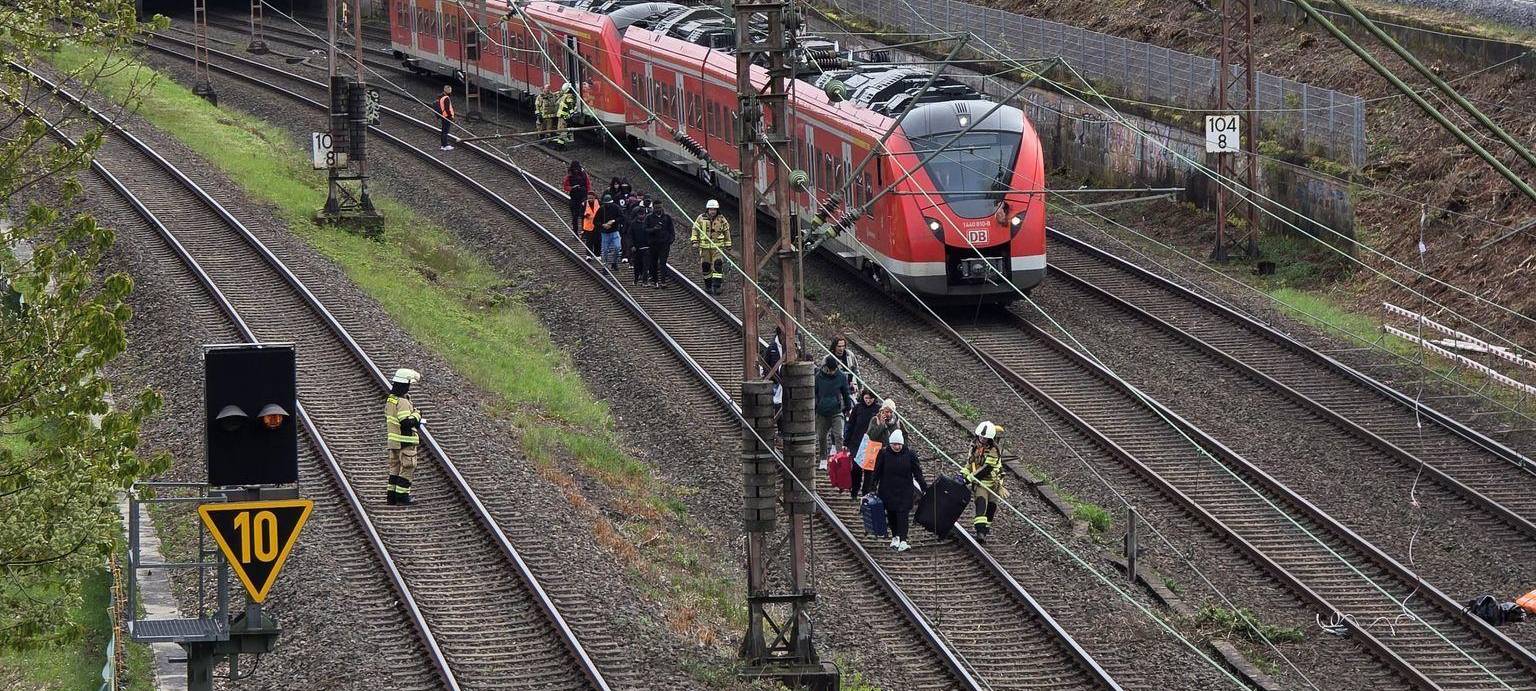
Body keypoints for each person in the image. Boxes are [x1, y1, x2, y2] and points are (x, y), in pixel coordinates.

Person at [872, 429, 926, 551]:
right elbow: (877, 472)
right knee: (891, 514)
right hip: (888, 490)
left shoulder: (910, 455)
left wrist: (924, 488)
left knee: (903, 515)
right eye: (894, 444)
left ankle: (903, 539)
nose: (896, 447)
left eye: (899, 444)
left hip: (905, 490)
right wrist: (872, 487)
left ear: (902, 444)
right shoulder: (884, 454)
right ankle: (895, 536)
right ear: (890, 444)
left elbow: (918, 473)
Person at [385, 368, 424, 505]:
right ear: (405, 384)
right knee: (408, 467)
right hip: (405, 441)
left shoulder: (391, 400)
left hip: (394, 441)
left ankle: (392, 497)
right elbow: (406, 422)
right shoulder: (402, 402)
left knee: (394, 468)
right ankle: (402, 497)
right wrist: (417, 415)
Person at [965, 421, 1007, 542]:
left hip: (994, 483)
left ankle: (985, 531)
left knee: (991, 508)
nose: (983, 439)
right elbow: (969, 463)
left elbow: (987, 469)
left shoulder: (995, 450)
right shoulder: (974, 447)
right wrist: (964, 474)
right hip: (981, 484)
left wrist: (970, 478)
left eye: (985, 437)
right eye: (981, 436)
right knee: (981, 504)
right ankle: (980, 532)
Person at [814, 355, 851, 468]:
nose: (832, 372)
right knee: (822, 436)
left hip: (836, 411)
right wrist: (817, 405)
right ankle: (823, 459)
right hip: (822, 411)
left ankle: (840, 459)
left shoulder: (841, 376)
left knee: (839, 435)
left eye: (834, 369)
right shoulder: (819, 376)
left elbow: (845, 393)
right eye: (830, 369)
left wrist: (847, 407)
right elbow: (814, 392)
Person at [691, 199, 732, 295]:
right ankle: (708, 285)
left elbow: (727, 232)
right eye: (711, 209)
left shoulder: (721, 219)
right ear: (707, 209)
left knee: (718, 265)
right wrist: (694, 241)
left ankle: (717, 286)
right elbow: (695, 230)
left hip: (717, 247)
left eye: (714, 209)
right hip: (704, 248)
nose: (712, 211)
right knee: (706, 266)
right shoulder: (701, 218)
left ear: (717, 210)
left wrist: (728, 244)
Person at [843, 388, 879, 497]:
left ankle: (865, 493)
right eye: (866, 398)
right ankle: (854, 490)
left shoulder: (877, 409)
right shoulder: (858, 408)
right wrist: (846, 441)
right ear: (863, 397)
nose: (868, 401)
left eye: (871, 398)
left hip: (871, 443)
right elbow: (851, 424)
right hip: (856, 442)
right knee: (856, 468)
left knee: (869, 470)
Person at [645, 197, 672, 287]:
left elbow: (671, 230)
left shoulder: (667, 218)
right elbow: (645, 230)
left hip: (664, 244)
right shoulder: (649, 218)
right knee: (653, 262)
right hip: (653, 244)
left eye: (659, 208)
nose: (658, 210)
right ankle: (654, 280)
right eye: (656, 208)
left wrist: (670, 240)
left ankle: (663, 281)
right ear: (653, 208)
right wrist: (653, 229)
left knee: (663, 263)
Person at [596, 193, 623, 270]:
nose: (608, 205)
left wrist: (614, 221)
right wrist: (603, 225)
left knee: (617, 247)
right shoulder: (601, 209)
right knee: (604, 250)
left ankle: (614, 262)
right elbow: (595, 221)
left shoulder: (616, 208)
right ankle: (605, 266)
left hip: (614, 231)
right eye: (606, 204)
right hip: (605, 233)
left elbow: (622, 217)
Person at [831, 334, 859, 408]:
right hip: (836, 390)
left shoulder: (850, 355)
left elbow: (856, 371)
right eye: (839, 346)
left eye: (843, 346)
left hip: (850, 387)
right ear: (834, 346)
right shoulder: (829, 358)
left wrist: (859, 386)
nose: (841, 349)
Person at [629, 198, 652, 285]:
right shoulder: (633, 224)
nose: (641, 216)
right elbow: (630, 236)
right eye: (640, 214)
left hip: (647, 247)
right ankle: (636, 279)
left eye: (643, 214)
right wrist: (632, 246)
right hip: (637, 247)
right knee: (637, 264)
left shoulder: (648, 223)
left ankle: (645, 281)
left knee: (646, 265)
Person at [563, 160, 590, 233]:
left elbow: (588, 184)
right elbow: (565, 186)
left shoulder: (584, 174)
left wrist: (587, 194)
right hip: (574, 197)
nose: (576, 170)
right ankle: (575, 230)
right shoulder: (569, 176)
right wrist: (572, 188)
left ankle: (584, 230)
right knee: (575, 215)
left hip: (583, 197)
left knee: (584, 214)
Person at [580, 190, 601, 260]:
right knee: (589, 241)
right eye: (589, 198)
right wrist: (585, 215)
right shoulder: (584, 204)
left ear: (595, 197)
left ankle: (597, 254)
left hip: (597, 225)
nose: (590, 199)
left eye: (591, 198)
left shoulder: (599, 203)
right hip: (588, 226)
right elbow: (580, 214)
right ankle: (588, 255)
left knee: (597, 240)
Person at [436, 84, 455, 151]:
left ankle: (443, 145)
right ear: (448, 90)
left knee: (443, 131)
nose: (451, 91)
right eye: (450, 90)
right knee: (445, 132)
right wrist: (451, 116)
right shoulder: (446, 98)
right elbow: (447, 109)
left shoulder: (440, 97)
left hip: (443, 116)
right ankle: (445, 145)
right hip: (447, 116)